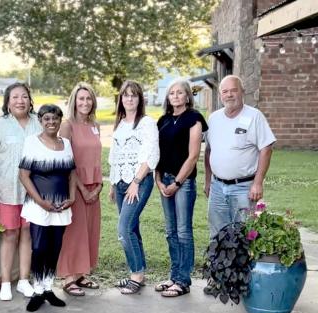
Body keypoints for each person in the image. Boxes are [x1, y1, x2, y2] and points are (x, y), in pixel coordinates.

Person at [203, 75, 275, 293]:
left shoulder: (254, 117)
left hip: (244, 187)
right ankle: (218, 279)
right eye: (224, 91)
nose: (229, 95)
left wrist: (258, 182)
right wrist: (207, 180)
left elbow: (266, 148)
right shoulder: (214, 119)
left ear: (242, 92)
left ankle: (243, 282)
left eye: (233, 90)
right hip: (217, 186)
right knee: (217, 233)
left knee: (244, 234)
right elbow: (208, 151)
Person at [0, 83, 41, 301]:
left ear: (30, 100)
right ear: (8, 102)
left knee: (27, 234)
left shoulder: (39, 123)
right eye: (15, 97)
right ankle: (6, 283)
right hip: (6, 192)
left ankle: (24, 281)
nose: (20, 101)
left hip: (33, 193)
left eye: (24, 96)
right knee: (9, 235)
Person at [19, 104, 76, 312]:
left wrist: (71, 197)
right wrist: (41, 202)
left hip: (61, 206)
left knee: (54, 248)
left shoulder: (67, 144)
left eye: (55, 119)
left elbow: (71, 174)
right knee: (39, 247)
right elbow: (23, 176)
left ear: (60, 120)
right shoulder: (31, 143)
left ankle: (48, 288)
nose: (51, 122)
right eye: (47, 119)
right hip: (39, 206)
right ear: (40, 121)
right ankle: (37, 290)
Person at [154, 79, 208, 297]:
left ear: (187, 96)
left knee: (184, 231)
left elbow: (194, 155)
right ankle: (174, 276)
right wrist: (159, 180)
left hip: (183, 182)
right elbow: (156, 154)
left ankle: (183, 281)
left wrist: (177, 183)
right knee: (170, 231)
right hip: (164, 179)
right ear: (168, 98)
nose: (175, 96)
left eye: (180, 93)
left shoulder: (194, 119)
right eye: (172, 93)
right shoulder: (163, 121)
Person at [108, 80, 159, 295]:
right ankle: (137, 272)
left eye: (133, 95)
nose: (129, 99)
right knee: (133, 228)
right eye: (125, 95)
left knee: (124, 229)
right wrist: (113, 184)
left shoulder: (146, 123)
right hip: (119, 182)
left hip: (138, 182)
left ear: (140, 99)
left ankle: (136, 275)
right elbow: (115, 155)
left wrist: (136, 182)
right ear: (121, 99)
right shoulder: (119, 123)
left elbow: (151, 155)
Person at [57, 82, 102, 296]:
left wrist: (100, 184)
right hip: (74, 186)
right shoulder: (67, 126)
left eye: (88, 98)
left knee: (90, 231)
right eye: (81, 98)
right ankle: (68, 278)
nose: (85, 102)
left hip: (94, 185)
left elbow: (97, 158)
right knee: (74, 233)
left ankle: (82, 274)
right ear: (74, 101)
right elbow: (66, 161)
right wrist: (82, 189)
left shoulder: (96, 125)